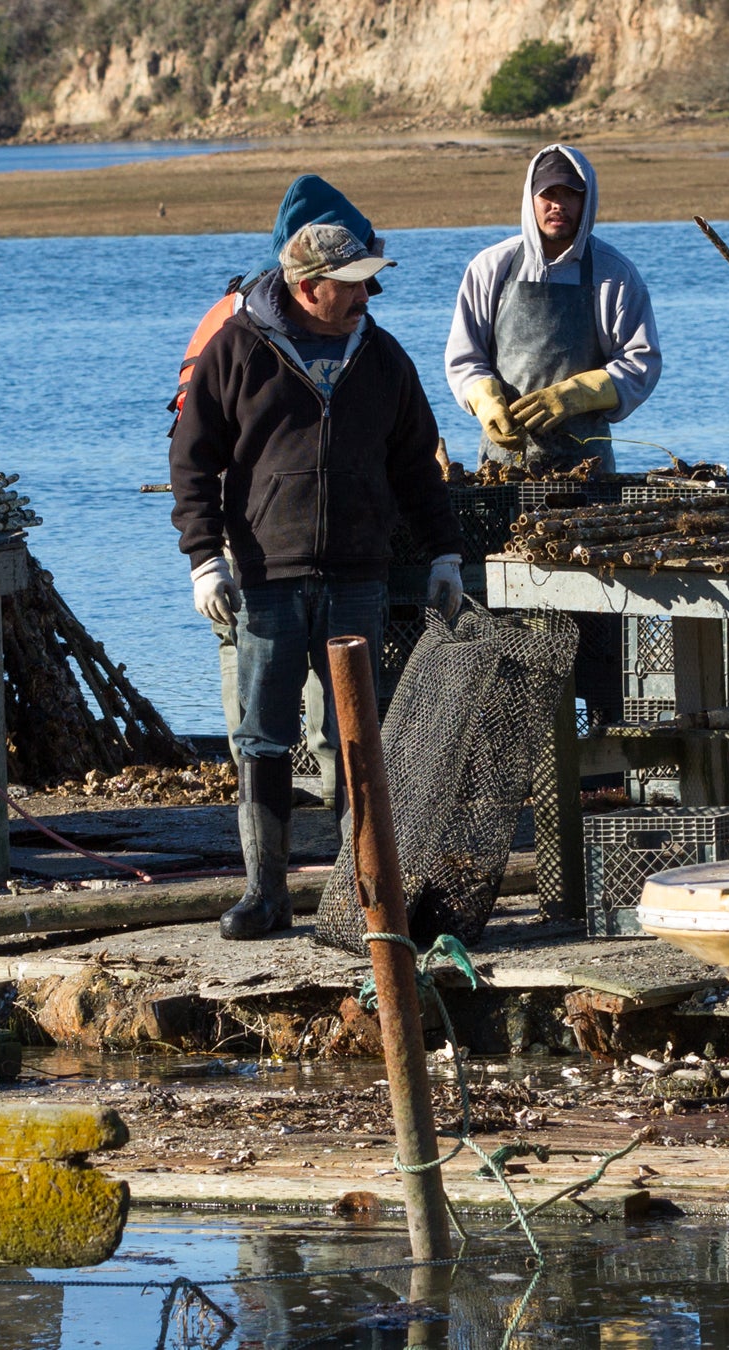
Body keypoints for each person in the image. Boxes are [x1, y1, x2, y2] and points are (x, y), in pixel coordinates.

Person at [171, 210, 467, 940]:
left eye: (366, 284)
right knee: (262, 737)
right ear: (307, 286)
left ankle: (360, 894)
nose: (364, 297)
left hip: (356, 577)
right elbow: (191, 459)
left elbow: (419, 466)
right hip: (265, 577)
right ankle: (264, 894)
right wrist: (205, 559)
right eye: (350, 285)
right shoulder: (237, 351)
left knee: (357, 737)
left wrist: (445, 553)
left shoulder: (384, 357)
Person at [171, 175, 376, 800]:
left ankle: (331, 822)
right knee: (250, 679)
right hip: (251, 541)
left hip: (333, 546)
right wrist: (206, 555)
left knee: (334, 704)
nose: (367, 288)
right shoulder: (235, 323)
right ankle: (260, 810)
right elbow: (192, 446)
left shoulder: (346, 311)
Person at [445, 144, 661, 473]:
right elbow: (464, 359)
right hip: (501, 468)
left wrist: (578, 394)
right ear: (530, 198)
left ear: (586, 201)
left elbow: (641, 364)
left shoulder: (616, 274)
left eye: (570, 194)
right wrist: (485, 399)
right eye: (548, 194)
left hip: (588, 470)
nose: (558, 205)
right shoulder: (491, 267)